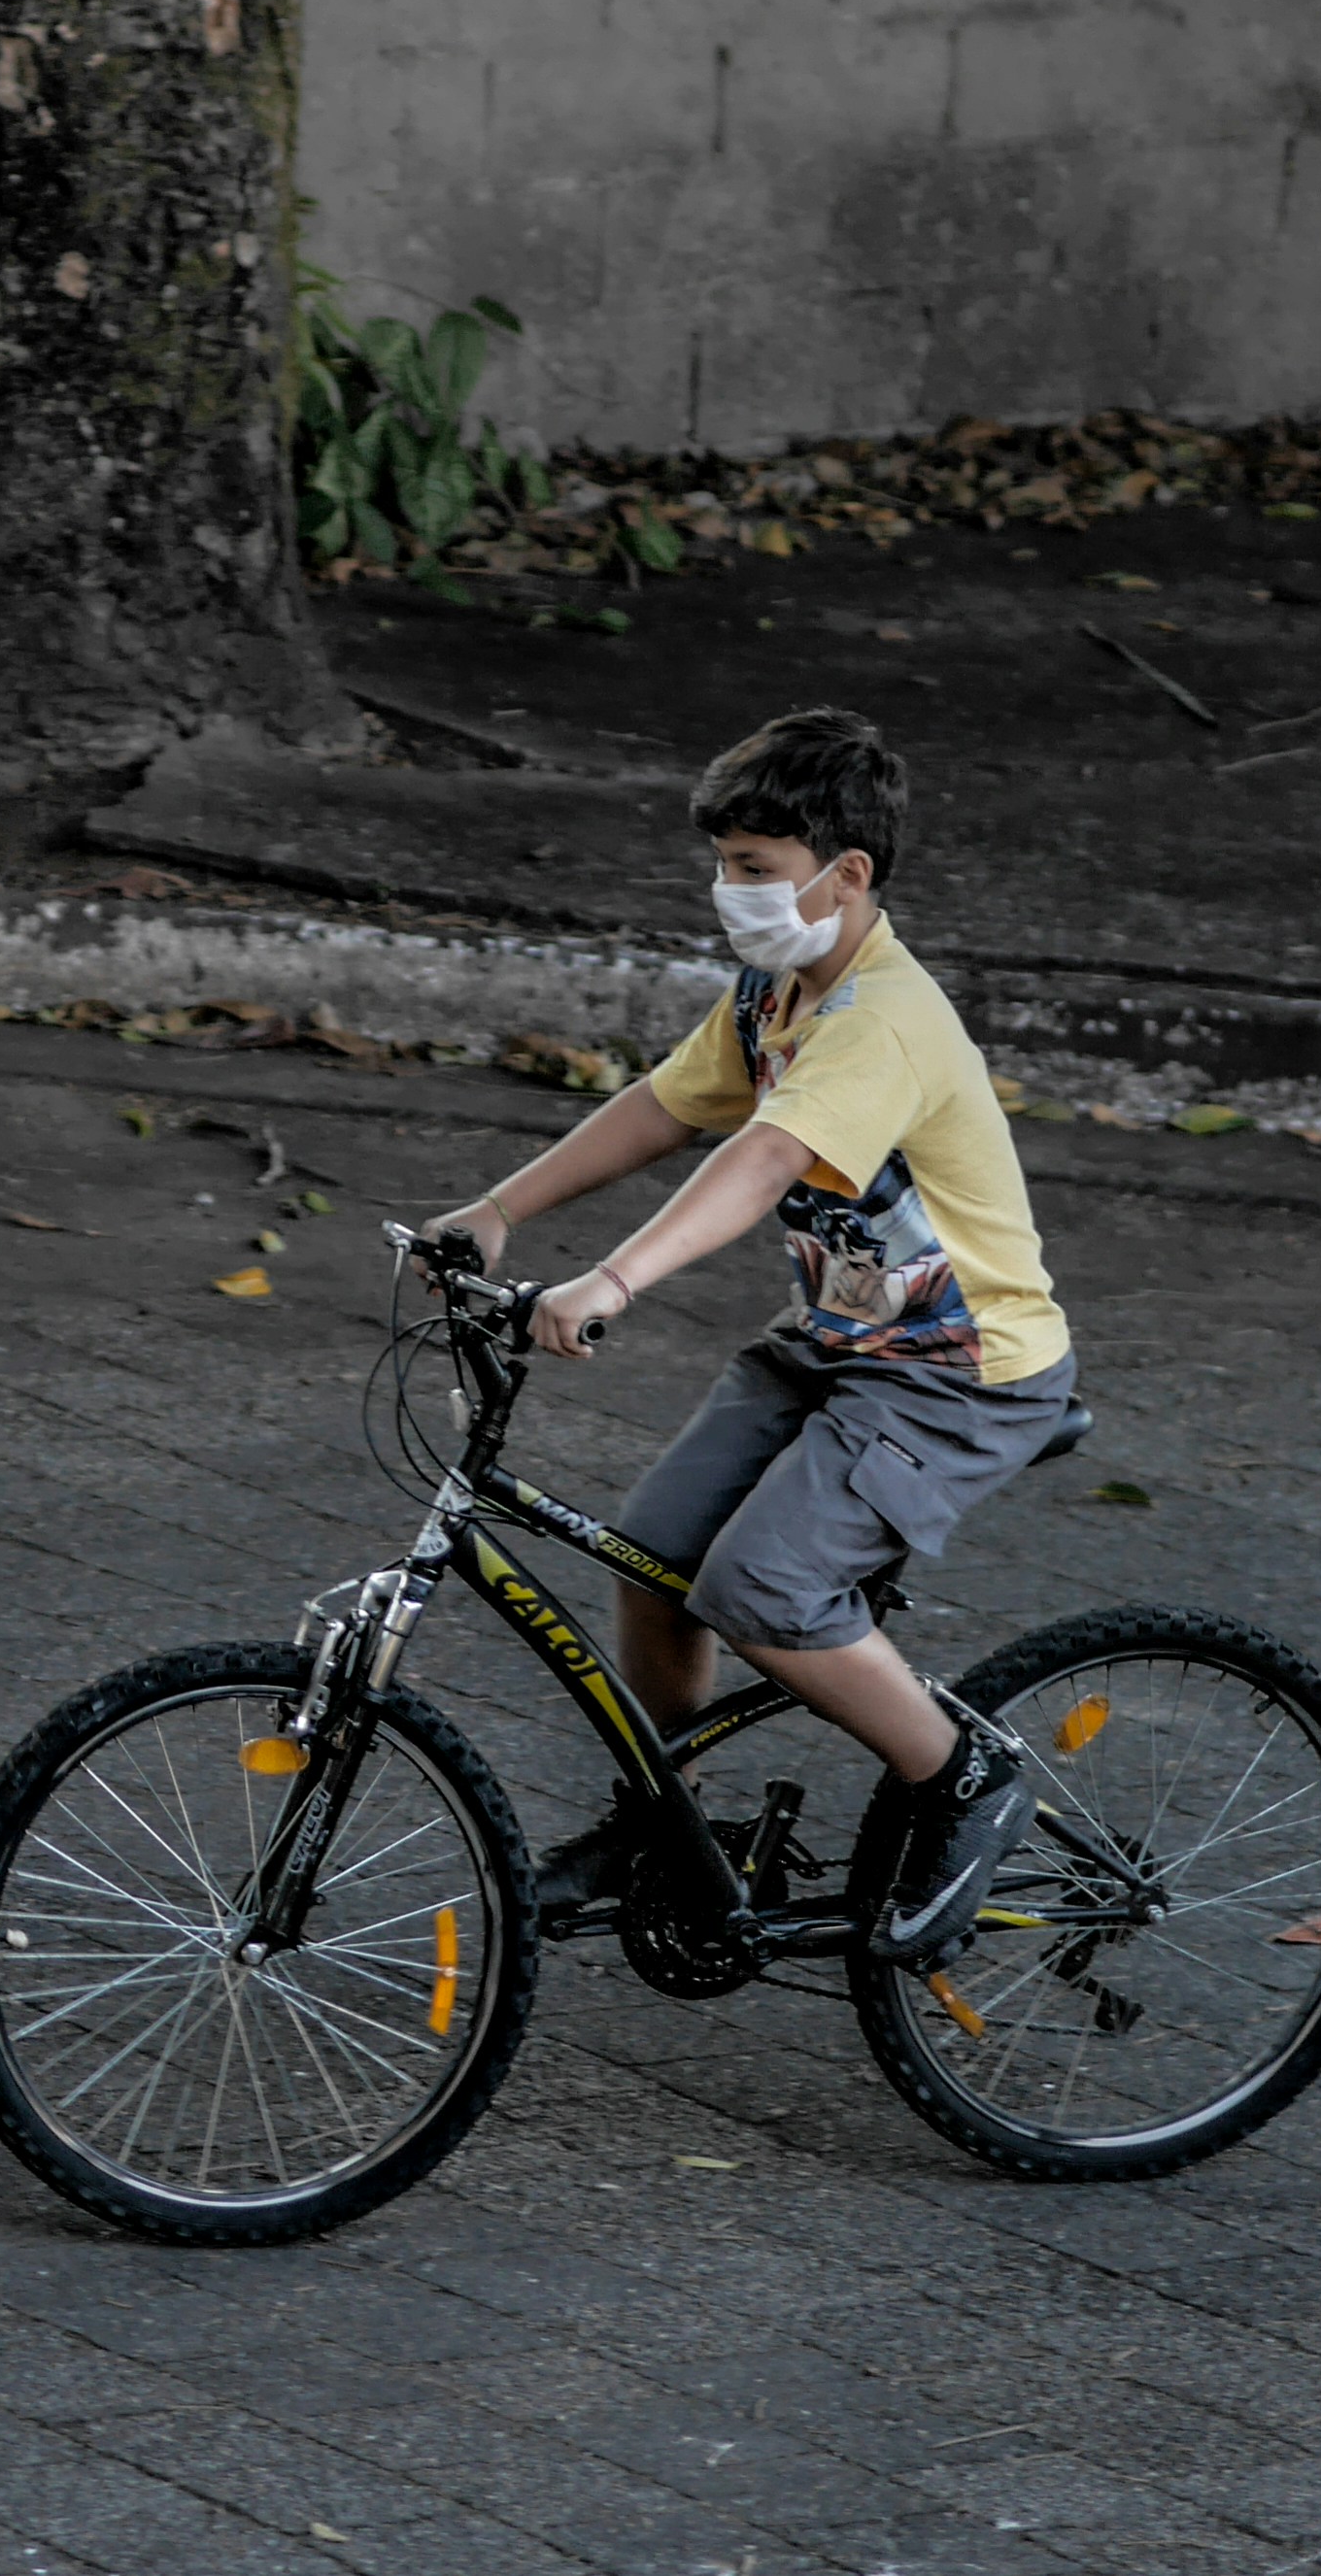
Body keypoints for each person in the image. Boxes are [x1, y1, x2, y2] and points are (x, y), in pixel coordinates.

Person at [423, 707, 1076, 1963]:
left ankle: (964, 1781)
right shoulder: (775, 995)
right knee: (652, 1557)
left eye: (752, 868)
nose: (727, 891)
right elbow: (670, 1107)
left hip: (958, 1375)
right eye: (722, 863)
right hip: (835, 1346)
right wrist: (497, 1210)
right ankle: (664, 1824)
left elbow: (765, 1153)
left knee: (760, 1591)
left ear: (845, 874)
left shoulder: (881, 1020)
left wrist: (615, 1277)